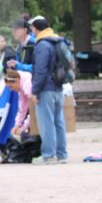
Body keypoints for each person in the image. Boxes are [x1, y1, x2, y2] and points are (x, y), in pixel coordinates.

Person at [29, 16, 69, 163]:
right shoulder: (58, 40)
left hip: (46, 88)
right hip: (59, 87)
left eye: (32, 29)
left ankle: (48, 155)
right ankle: (62, 154)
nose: (32, 32)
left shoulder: (42, 45)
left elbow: (40, 70)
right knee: (59, 122)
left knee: (46, 123)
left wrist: (34, 91)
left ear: (36, 29)